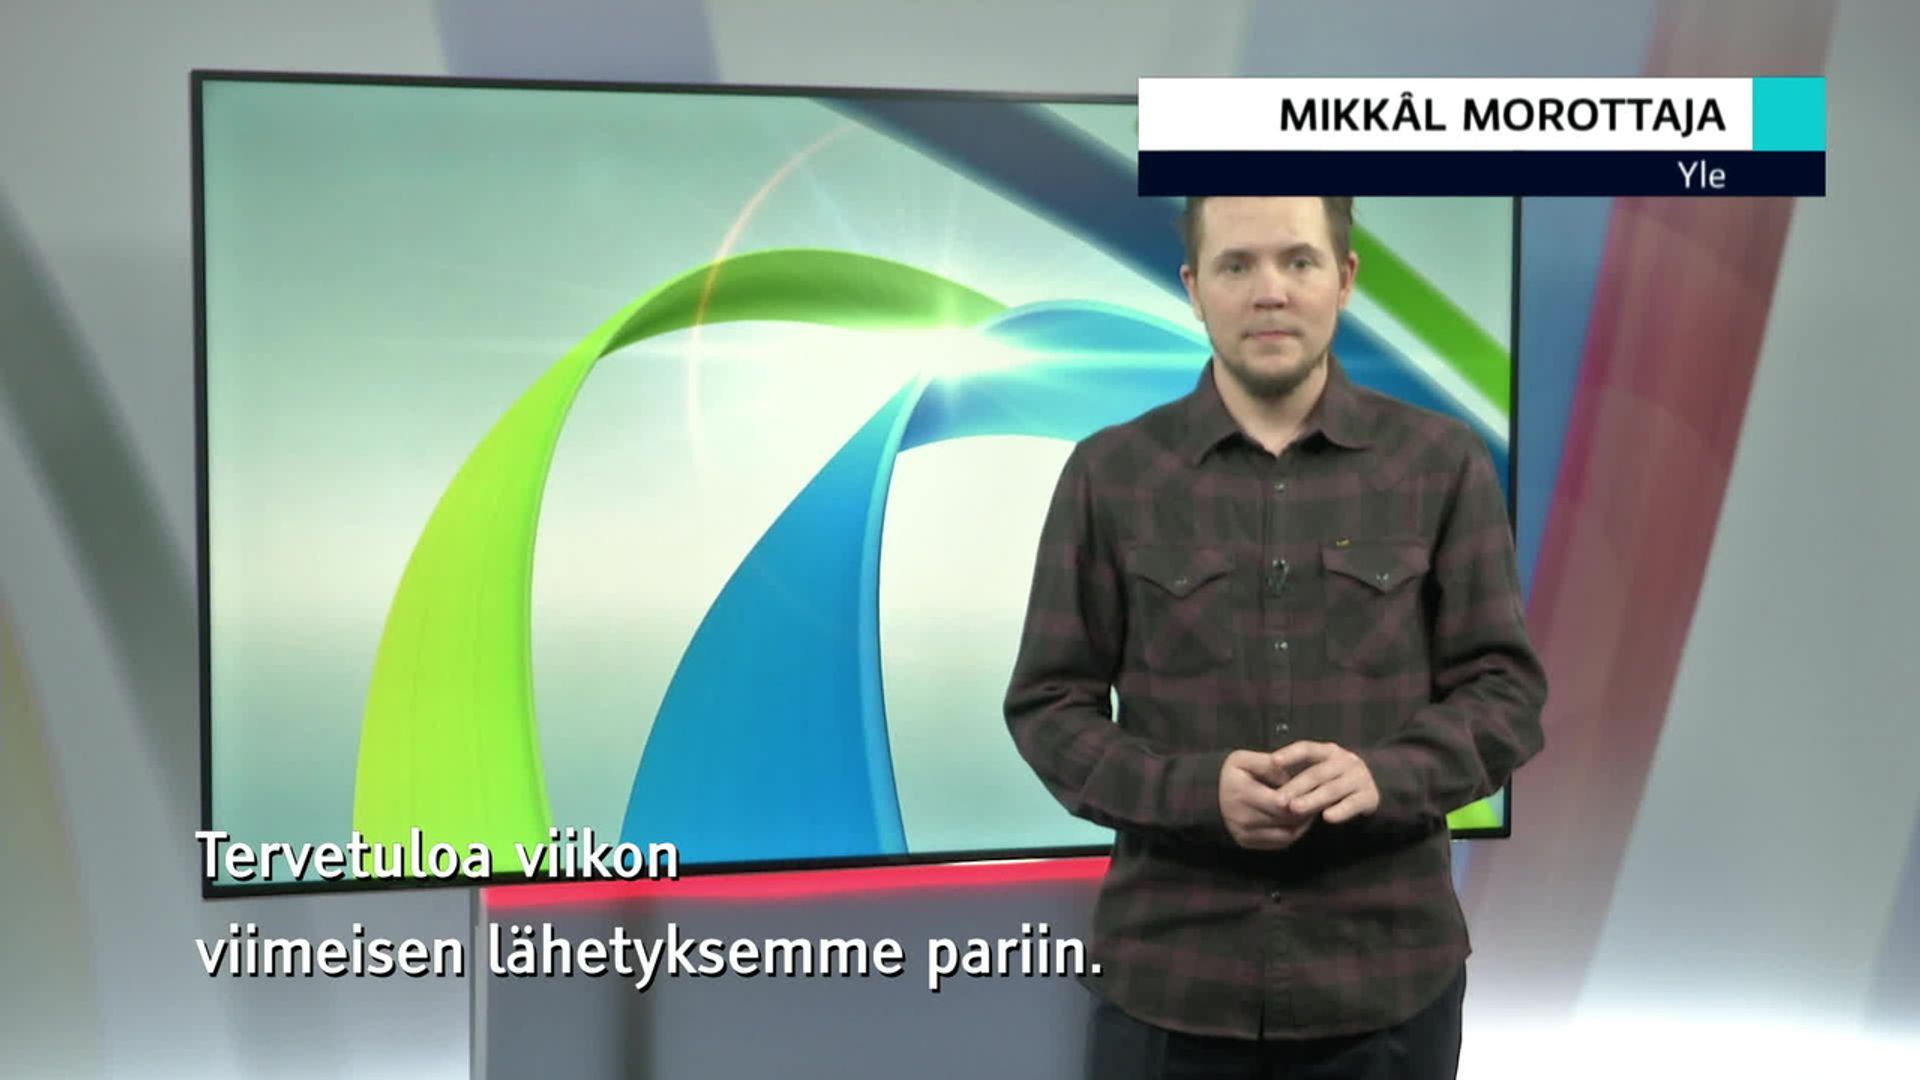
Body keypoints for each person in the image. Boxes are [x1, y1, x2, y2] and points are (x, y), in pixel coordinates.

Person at [1002, 195, 1548, 1079]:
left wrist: (1385, 776)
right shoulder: (1111, 474)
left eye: (1298, 261)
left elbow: (1506, 695)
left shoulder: (1441, 464)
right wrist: (1192, 792)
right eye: (1236, 265)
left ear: (1345, 278)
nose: (1270, 291)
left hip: (1386, 989)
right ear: (1193, 288)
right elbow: (1048, 708)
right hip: (1170, 989)